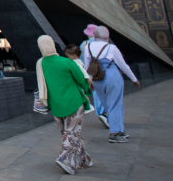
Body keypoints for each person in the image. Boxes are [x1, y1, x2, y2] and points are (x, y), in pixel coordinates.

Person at [36, 35, 93, 175]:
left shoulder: (40, 64)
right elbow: (81, 80)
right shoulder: (67, 62)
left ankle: (84, 159)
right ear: (53, 45)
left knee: (69, 133)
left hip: (56, 105)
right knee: (72, 133)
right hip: (73, 102)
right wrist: (88, 90)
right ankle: (65, 161)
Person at [84, 26, 139, 143]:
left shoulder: (87, 47)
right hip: (112, 76)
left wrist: (90, 81)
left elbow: (87, 66)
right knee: (115, 104)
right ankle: (114, 133)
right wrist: (134, 79)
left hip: (97, 78)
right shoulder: (111, 47)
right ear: (107, 36)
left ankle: (120, 130)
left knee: (108, 105)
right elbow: (123, 65)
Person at [79, 24, 106, 126]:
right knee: (105, 91)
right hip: (103, 70)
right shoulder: (103, 44)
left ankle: (100, 112)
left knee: (96, 92)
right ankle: (104, 112)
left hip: (90, 71)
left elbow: (82, 60)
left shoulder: (84, 44)